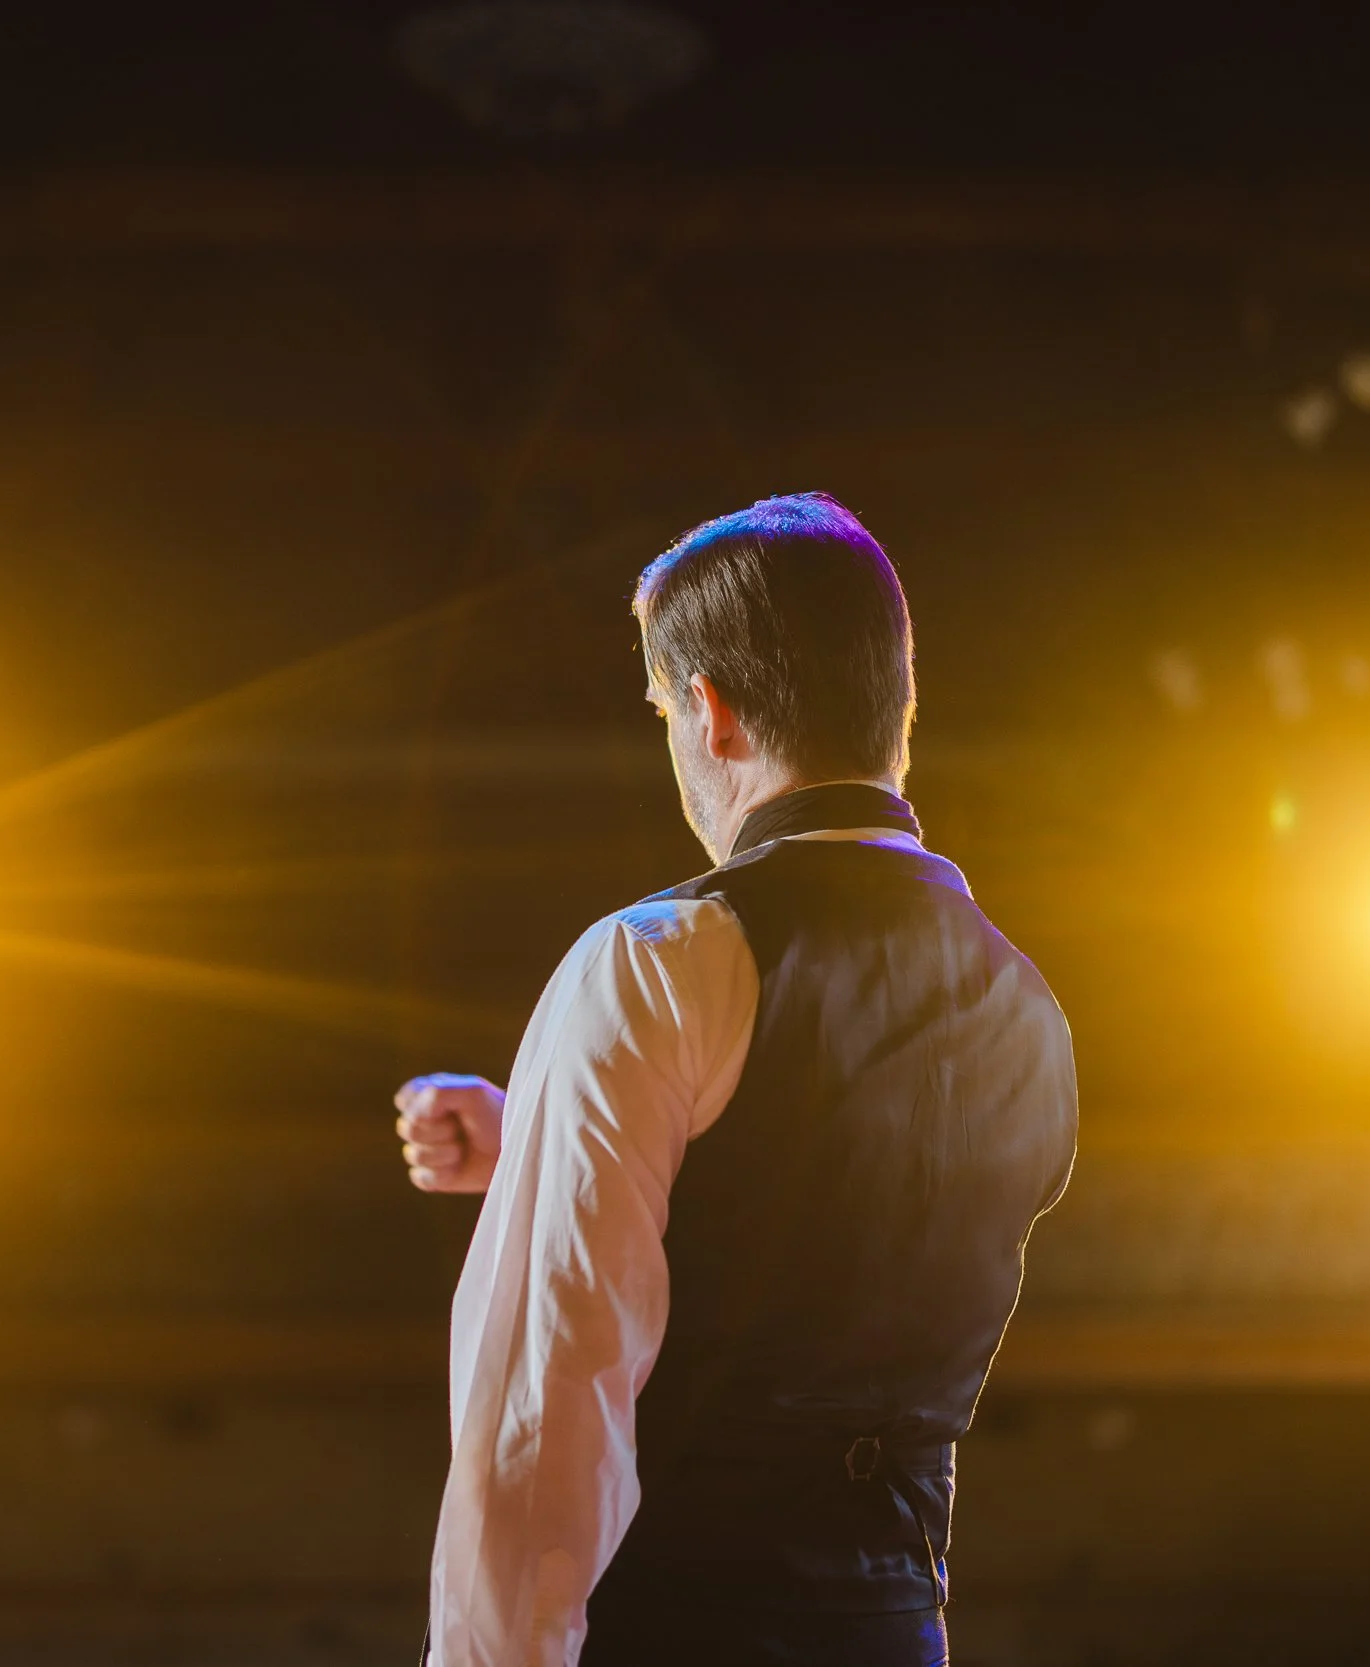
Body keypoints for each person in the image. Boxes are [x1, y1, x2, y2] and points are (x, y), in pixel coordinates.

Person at [391, 493, 1077, 1667]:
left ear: (708, 714)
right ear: (895, 706)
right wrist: (544, 1138)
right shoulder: (1025, 1006)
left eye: (661, 709)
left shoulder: (656, 961)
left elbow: (545, 1414)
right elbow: (825, 1202)